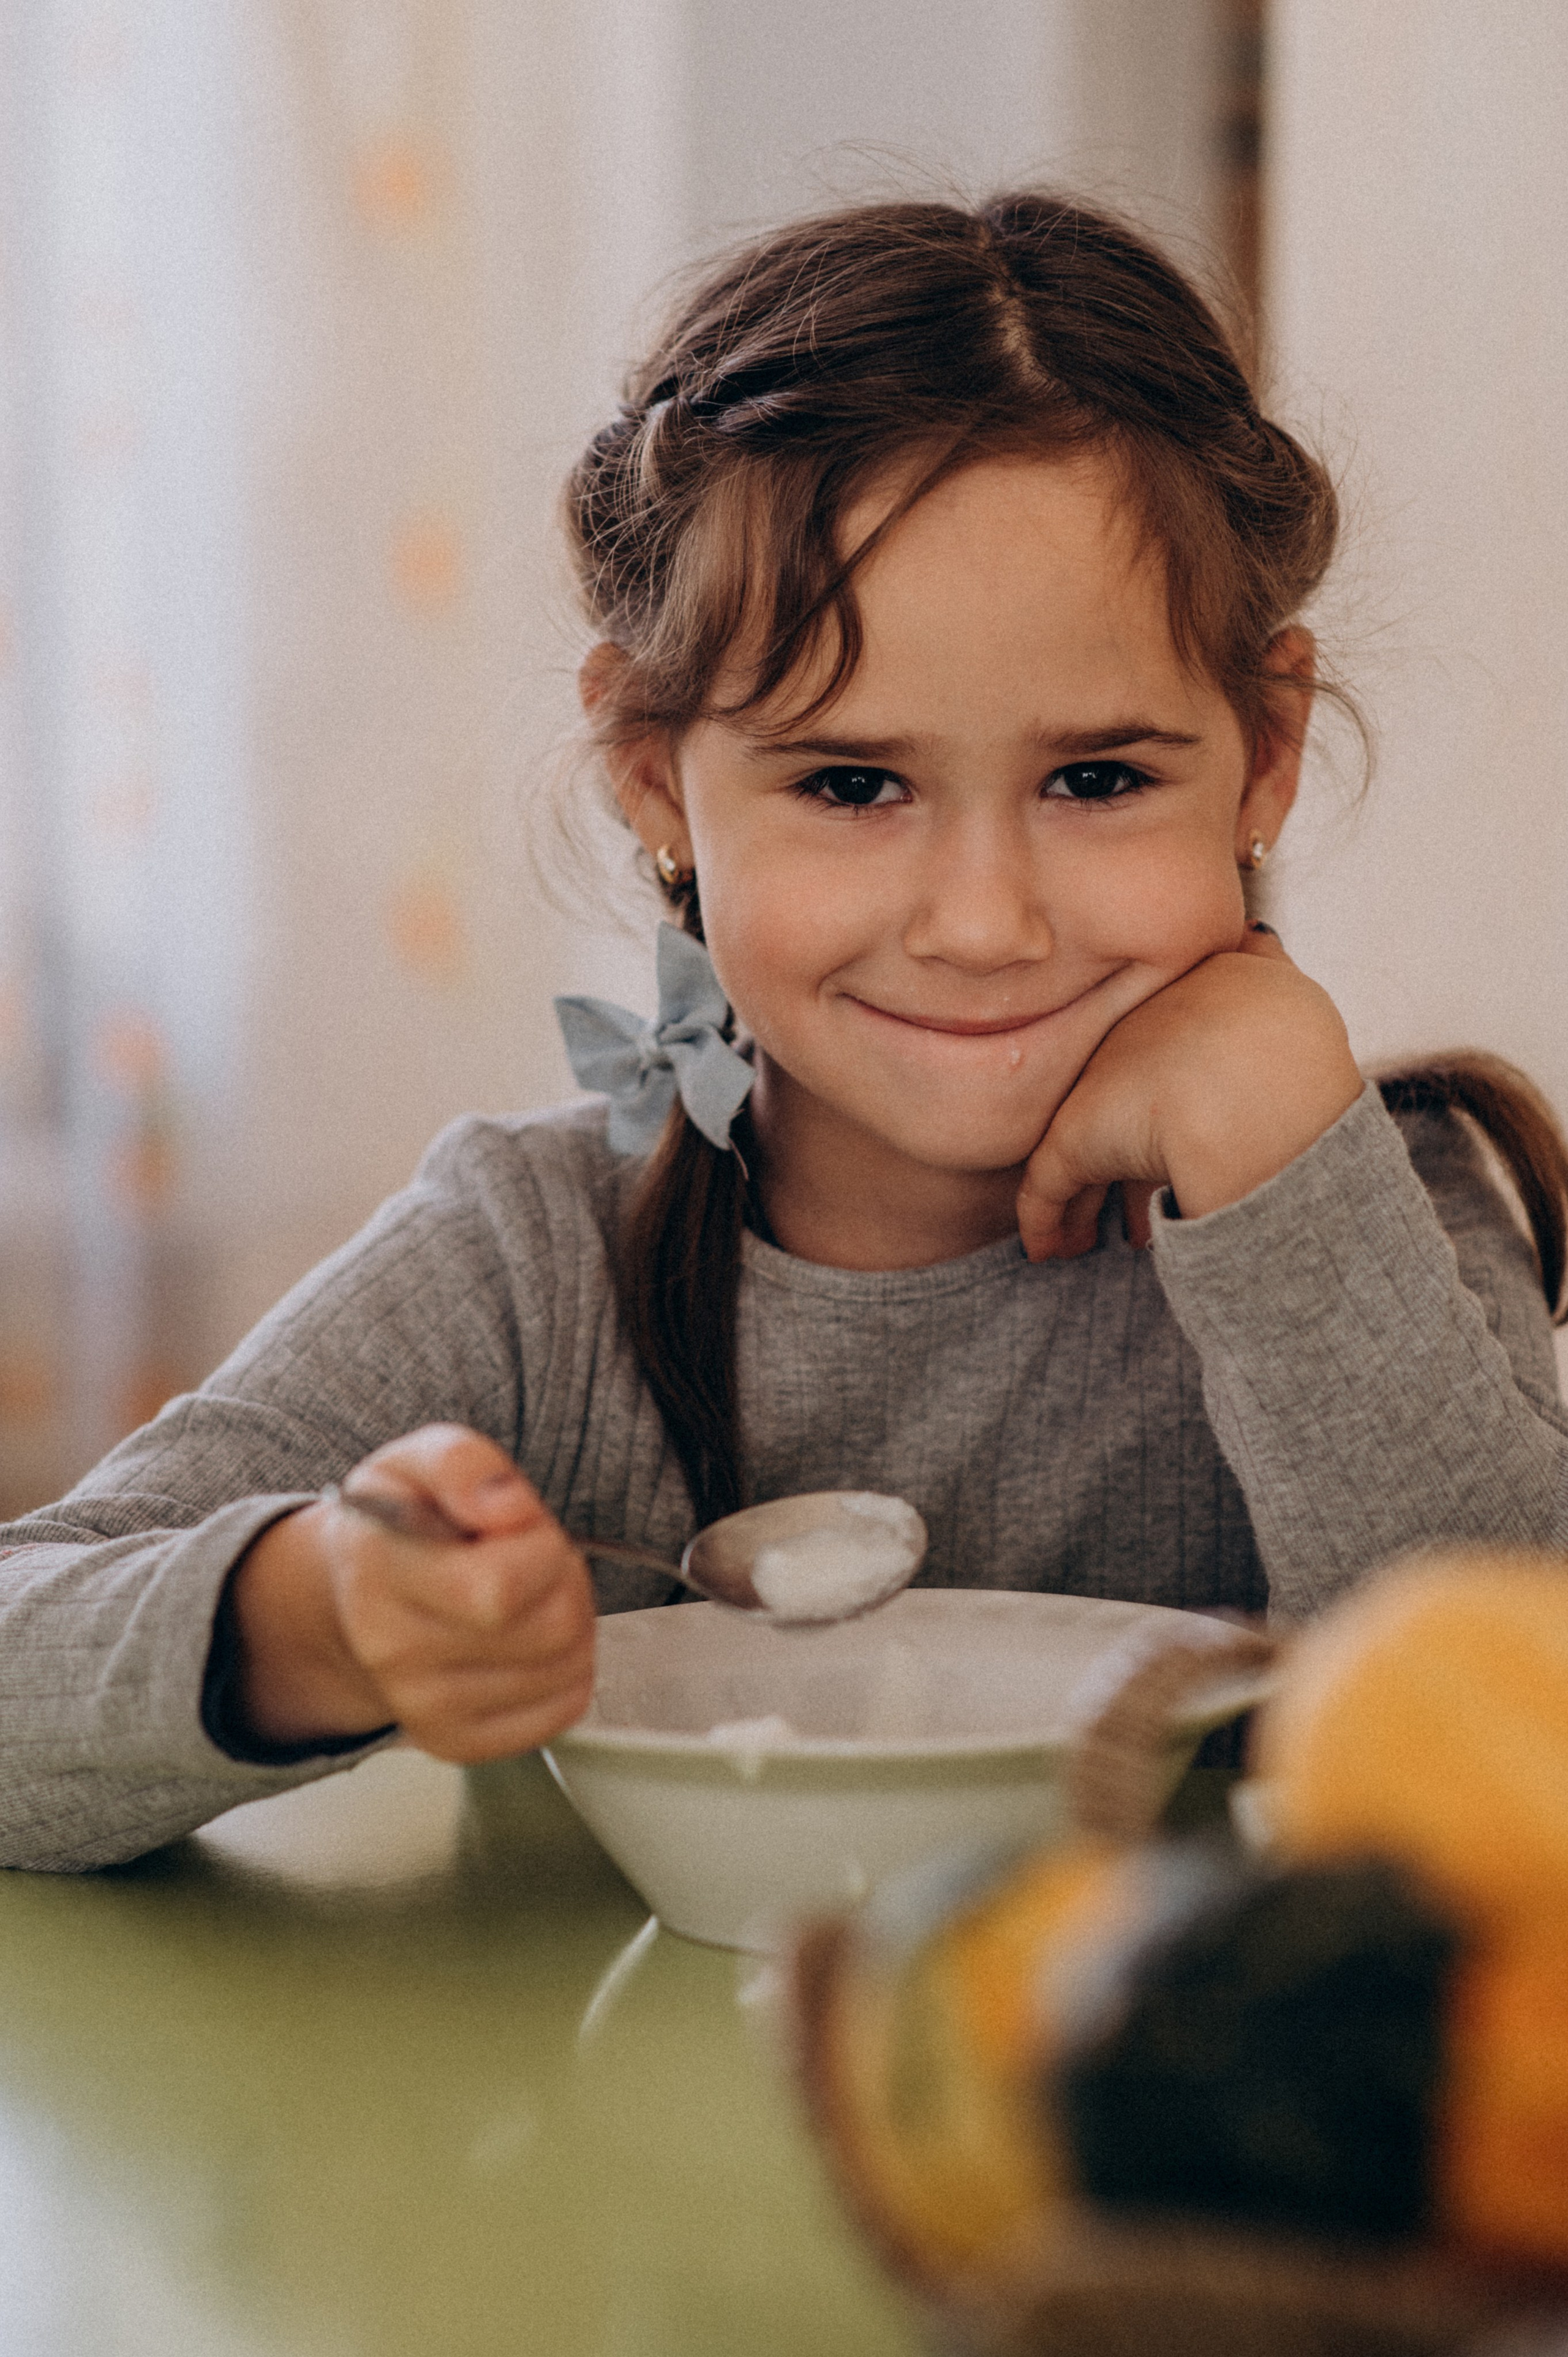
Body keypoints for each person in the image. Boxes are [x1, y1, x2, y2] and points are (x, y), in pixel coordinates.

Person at [3, 192, 1566, 1874]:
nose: (983, 921)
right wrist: (302, 1623)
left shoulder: (1359, 1208)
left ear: (1261, 754)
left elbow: (1527, 1762)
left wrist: (1286, 1174)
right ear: (655, 778)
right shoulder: (537, 1262)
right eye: (851, 783)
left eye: (1098, 779)